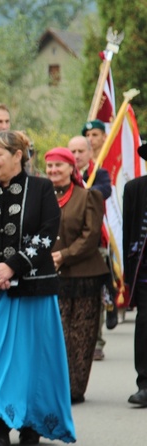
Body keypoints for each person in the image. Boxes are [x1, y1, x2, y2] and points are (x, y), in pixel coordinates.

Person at [0, 131, 75, 445]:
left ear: (18, 156)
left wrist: (13, 265)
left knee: (32, 362)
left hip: (34, 294)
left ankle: (31, 425)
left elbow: (47, 232)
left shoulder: (41, 188)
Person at [45, 147, 109, 404]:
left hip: (85, 275)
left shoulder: (88, 196)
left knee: (81, 335)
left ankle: (75, 388)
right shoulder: (42, 197)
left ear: (72, 168)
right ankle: (56, 385)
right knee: (57, 333)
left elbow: (91, 236)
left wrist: (63, 255)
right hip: (51, 276)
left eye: (59, 166)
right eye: (49, 166)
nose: (53, 171)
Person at [71, 130, 113, 361]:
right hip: (68, 244)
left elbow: (103, 192)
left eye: (80, 151)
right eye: (73, 151)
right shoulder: (64, 174)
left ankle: (96, 341)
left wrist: (82, 194)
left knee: (95, 295)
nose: (76, 155)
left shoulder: (99, 173)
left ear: (90, 152)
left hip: (95, 243)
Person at [122, 142, 147, 407]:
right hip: (145, 274)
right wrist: (128, 276)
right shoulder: (135, 189)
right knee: (145, 327)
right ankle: (145, 384)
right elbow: (128, 232)